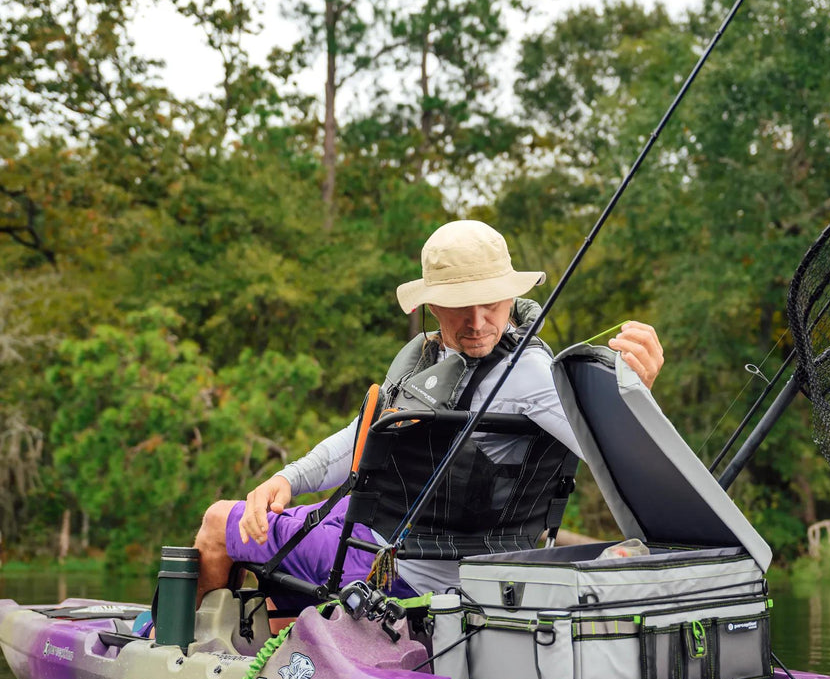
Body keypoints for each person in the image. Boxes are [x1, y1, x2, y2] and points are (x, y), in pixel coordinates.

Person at [193, 220, 664, 602]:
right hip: (368, 528)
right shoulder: (429, 356)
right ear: (432, 304)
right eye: (459, 306)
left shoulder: (531, 375)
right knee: (280, 518)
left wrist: (632, 395)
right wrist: (287, 478)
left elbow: (618, 453)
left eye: (491, 303)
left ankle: (179, 649)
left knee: (218, 521)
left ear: (511, 296)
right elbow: (362, 437)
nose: (477, 323)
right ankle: (279, 655)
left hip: (397, 573)